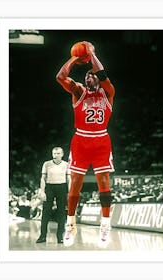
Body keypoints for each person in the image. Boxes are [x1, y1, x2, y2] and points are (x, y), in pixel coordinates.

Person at [56, 41, 115, 248]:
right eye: (86, 75)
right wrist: (75, 57)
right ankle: (70, 223)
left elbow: (103, 75)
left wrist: (90, 54)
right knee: (76, 182)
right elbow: (60, 77)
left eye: (91, 75)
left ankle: (105, 224)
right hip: (80, 139)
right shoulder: (78, 91)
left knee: (104, 182)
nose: (88, 76)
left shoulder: (108, 92)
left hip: (101, 140)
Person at [36, 147, 71, 244]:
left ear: (62, 154)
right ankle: (43, 236)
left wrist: (70, 191)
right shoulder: (46, 164)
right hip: (49, 187)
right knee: (46, 212)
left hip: (62, 187)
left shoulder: (66, 165)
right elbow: (43, 178)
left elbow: (69, 179)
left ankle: (60, 236)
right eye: (54, 153)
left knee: (61, 213)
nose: (56, 155)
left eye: (58, 153)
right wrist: (42, 191)